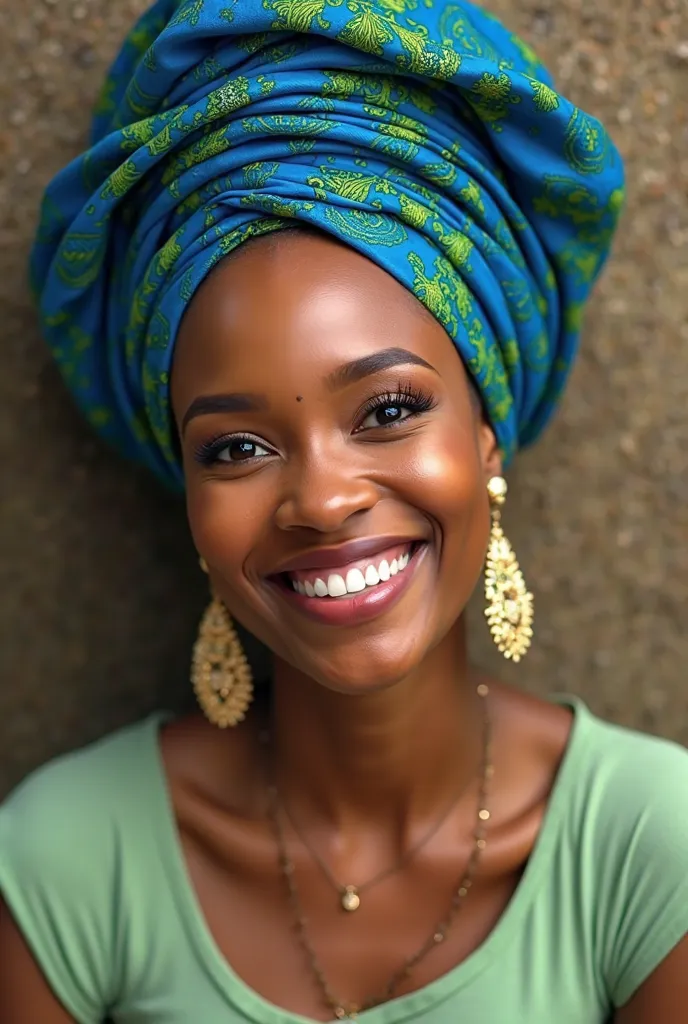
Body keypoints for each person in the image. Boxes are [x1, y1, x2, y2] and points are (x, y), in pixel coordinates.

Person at [1, 0, 686, 1021]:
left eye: (390, 409)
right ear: (188, 499)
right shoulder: (66, 859)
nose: (321, 498)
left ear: (485, 438)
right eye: (234, 447)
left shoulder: (645, 845)